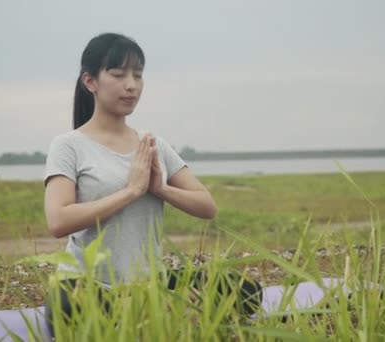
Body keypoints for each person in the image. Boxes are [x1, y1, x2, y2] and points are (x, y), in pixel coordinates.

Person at [42, 32, 261, 336]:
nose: (131, 85)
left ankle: (145, 311)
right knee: (68, 308)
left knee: (246, 290)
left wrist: (161, 190)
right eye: (118, 75)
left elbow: (207, 206)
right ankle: (157, 314)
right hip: (88, 284)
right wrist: (131, 191)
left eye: (138, 75)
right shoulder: (68, 146)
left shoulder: (152, 144)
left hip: (150, 282)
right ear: (90, 81)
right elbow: (58, 220)